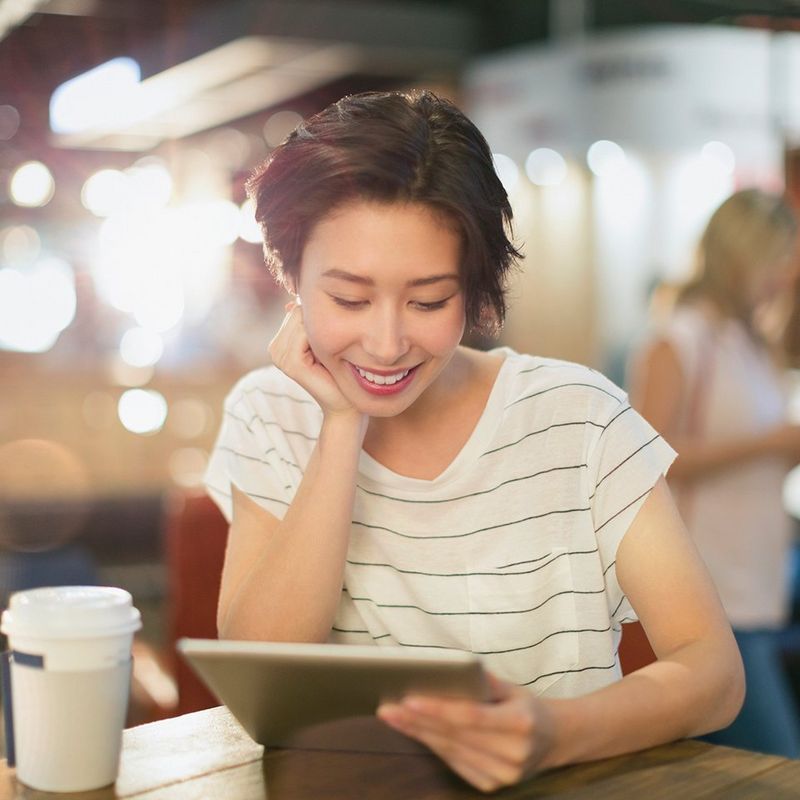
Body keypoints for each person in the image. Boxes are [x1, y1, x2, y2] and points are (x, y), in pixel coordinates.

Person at [204, 90, 743, 792]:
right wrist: (341, 425)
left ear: (474, 290)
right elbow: (259, 671)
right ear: (292, 278)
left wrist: (555, 733)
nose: (388, 343)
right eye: (349, 299)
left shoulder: (578, 418)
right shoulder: (268, 414)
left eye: (429, 301)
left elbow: (714, 672)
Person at [627, 188, 800, 758]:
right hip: (706, 589)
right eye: (776, 260)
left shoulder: (751, 343)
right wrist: (769, 443)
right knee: (779, 765)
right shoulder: (680, 339)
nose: (784, 275)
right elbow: (644, 458)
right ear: (741, 258)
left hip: (754, 580)